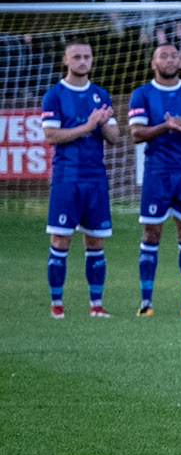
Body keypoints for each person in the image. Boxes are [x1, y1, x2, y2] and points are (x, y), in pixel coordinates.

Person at [127, 41, 181, 315]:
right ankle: (146, 302)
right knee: (151, 232)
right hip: (156, 174)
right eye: (163, 56)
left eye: (174, 56)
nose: (169, 60)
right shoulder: (142, 94)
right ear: (154, 63)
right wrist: (165, 126)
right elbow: (136, 134)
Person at [42, 40, 120, 318]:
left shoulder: (100, 95)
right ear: (66, 60)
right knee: (60, 240)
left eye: (87, 56)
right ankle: (57, 305)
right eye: (76, 57)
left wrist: (103, 123)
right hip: (67, 179)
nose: (82, 61)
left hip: (95, 179)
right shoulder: (54, 95)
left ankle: (96, 305)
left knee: (95, 242)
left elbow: (114, 137)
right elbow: (51, 136)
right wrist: (87, 125)